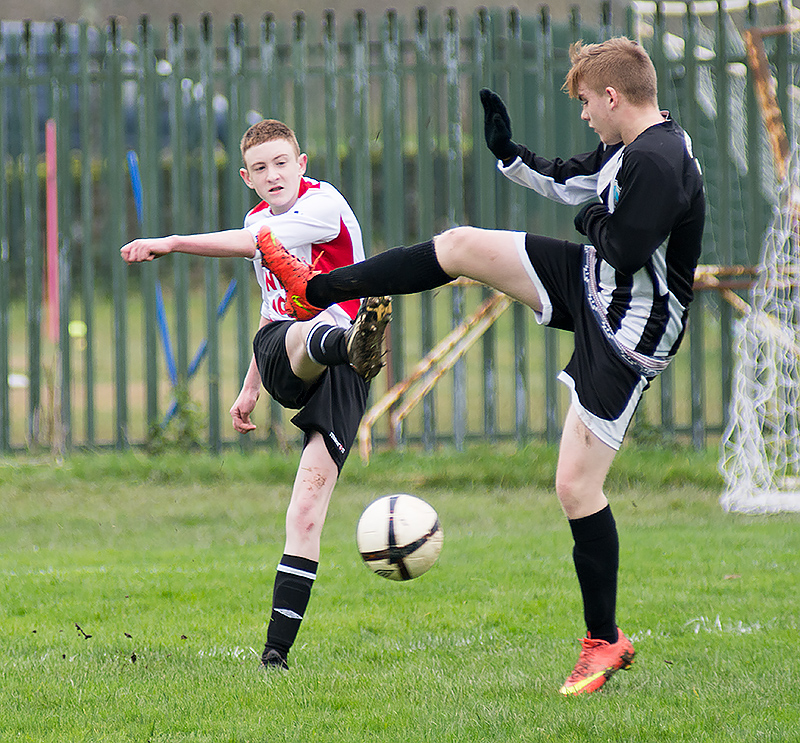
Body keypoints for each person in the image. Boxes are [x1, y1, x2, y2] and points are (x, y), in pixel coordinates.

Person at [254, 38, 705, 694]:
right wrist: (509, 155)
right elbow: (576, 178)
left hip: (631, 331)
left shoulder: (662, 162)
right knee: (461, 244)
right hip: (594, 281)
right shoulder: (629, 145)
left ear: (613, 97)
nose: (582, 114)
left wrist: (589, 216)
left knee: (575, 488)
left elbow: (626, 245)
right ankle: (318, 291)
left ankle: (604, 640)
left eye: (584, 102)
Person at [120, 119, 392, 671]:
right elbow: (273, 300)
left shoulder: (324, 206)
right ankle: (347, 343)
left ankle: (275, 656)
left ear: (302, 163)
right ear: (247, 177)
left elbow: (252, 244)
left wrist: (171, 242)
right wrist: (250, 388)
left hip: (343, 370)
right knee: (295, 328)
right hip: (290, 348)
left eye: (281, 163)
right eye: (261, 168)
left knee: (307, 513)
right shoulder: (258, 220)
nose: (273, 175)